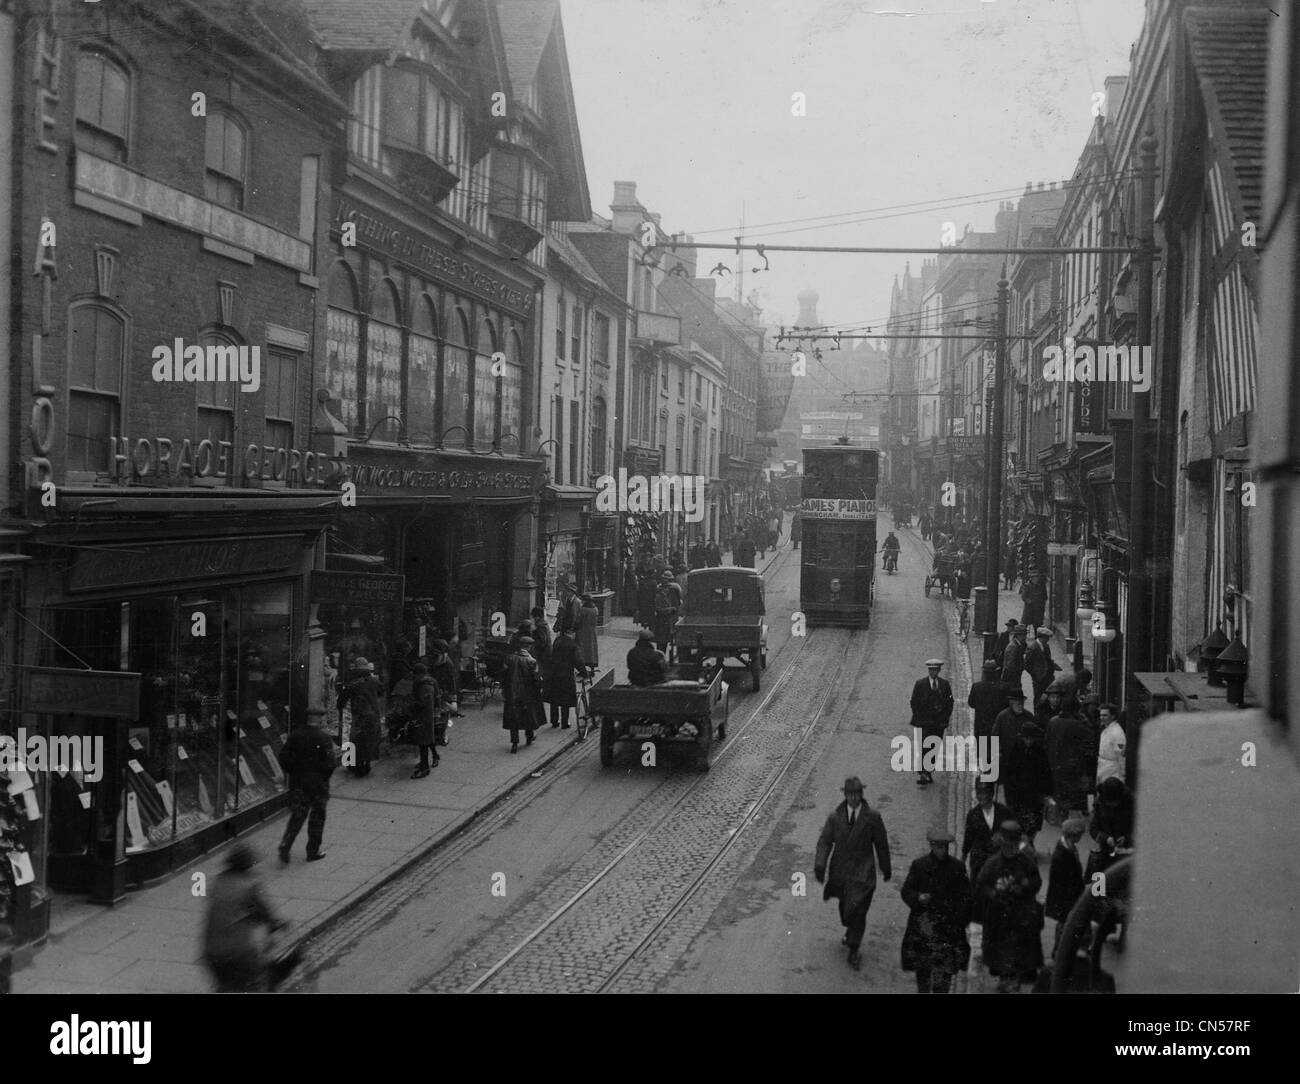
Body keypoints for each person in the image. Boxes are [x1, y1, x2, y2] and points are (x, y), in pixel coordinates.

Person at [814, 777, 891, 971]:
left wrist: (886, 866)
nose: (854, 798)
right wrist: (820, 865)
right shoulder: (835, 817)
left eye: (857, 794)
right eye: (850, 794)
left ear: (861, 795)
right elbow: (825, 842)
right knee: (847, 911)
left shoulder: (872, 817)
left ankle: (854, 949)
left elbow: (881, 844)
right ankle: (850, 930)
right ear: (845, 796)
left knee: (859, 910)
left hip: (864, 873)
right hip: (842, 872)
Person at [203, 843, 286, 992]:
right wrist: (275, 924)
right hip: (238, 950)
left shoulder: (218, 882)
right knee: (254, 983)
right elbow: (263, 912)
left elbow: (225, 909)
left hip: (211, 950)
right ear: (246, 865)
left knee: (226, 985)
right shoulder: (248, 885)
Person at [900, 828, 972, 993]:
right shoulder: (919, 866)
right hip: (924, 928)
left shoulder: (957, 867)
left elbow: (967, 897)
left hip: (947, 930)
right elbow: (906, 890)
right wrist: (918, 898)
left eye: (945, 847)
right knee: (923, 974)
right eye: (939, 847)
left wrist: (959, 919)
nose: (943, 851)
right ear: (932, 846)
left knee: (943, 978)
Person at [975, 820, 1044, 993]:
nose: (1010, 848)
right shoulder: (992, 864)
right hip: (999, 916)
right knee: (1001, 950)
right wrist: (995, 893)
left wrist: (1025, 885)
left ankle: (1014, 979)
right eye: (1006, 845)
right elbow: (981, 885)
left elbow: (1036, 881)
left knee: (1019, 950)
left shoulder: (1026, 862)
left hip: (1021, 914)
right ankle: (1005, 978)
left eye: (1013, 845)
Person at [277, 713, 338, 863]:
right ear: (319, 720)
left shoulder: (295, 736)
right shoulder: (324, 738)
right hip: (318, 785)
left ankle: (286, 843)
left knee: (298, 815)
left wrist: (292, 771)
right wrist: (323, 777)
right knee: (317, 817)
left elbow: (283, 757)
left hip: (299, 782)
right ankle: (312, 851)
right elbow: (331, 763)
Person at [1045, 680, 1095, 818]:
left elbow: (1047, 740)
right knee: (1069, 788)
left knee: (1058, 787)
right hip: (1071, 762)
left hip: (1054, 759)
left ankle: (1059, 811)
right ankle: (1065, 811)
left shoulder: (1053, 721)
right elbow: (1090, 736)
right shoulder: (1076, 724)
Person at [1003, 720, 1053, 852]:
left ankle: (1030, 842)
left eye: (1031, 739)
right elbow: (1010, 772)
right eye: (1027, 738)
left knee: (1034, 823)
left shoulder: (1039, 751)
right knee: (1020, 821)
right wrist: (1010, 794)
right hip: (1019, 794)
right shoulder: (1016, 749)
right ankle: (1023, 843)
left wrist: (1047, 792)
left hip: (1035, 794)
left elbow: (1046, 772)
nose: (1029, 741)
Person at [909, 659, 954, 786]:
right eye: (931, 670)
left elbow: (950, 702)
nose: (933, 672)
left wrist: (945, 717)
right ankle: (923, 772)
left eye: (935, 670)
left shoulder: (944, 685)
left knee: (935, 747)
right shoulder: (920, 684)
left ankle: (928, 770)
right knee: (924, 746)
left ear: (939, 670)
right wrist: (918, 716)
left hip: (938, 723)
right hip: (925, 722)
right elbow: (914, 701)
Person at [1046, 818, 1087, 952]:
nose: (1081, 837)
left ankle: (1060, 950)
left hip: (1068, 895)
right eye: (1080, 834)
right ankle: (1058, 950)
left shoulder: (1069, 847)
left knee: (1064, 922)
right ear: (1074, 834)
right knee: (1064, 923)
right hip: (1065, 896)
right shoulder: (1063, 853)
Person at [962, 782, 1011, 894]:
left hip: (998, 859)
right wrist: (964, 855)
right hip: (979, 860)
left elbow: (1013, 831)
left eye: (984, 793)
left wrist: (1002, 836)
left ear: (991, 794)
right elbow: (968, 837)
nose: (980, 796)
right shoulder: (973, 814)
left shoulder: (1004, 812)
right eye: (978, 793)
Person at [336, 657, 381, 777]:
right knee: (369, 741)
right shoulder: (375, 681)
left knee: (356, 741)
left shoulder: (353, 684)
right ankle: (366, 764)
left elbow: (341, 702)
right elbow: (381, 692)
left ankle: (355, 764)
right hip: (374, 716)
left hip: (360, 717)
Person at [501, 636, 544, 753]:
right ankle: (529, 736)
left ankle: (514, 742)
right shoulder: (532, 661)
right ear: (529, 647)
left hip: (512, 692)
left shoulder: (509, 658)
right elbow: (536, 678)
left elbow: (503, 674)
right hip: (527, 693)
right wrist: (539, 688)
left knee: (513, 717)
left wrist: (504, 688)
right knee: (527, 715)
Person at [992, 689, 1035, 793]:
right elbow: (995, 737)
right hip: (1008, 759)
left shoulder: (1029, 716)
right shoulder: (1002, 716)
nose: (1019, 704)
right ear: (1011, 702)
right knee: (1010, 788)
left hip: (1025, 760)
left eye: (1021, 701)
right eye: (1016, 701)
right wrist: (998, 752)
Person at [544, 626, 586, 729]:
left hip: (554, 673)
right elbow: (578, 661)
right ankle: (564, 722)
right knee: (565, 699)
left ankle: (554, 721)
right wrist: (584, 672)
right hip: (566, 675)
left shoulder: (557, 641)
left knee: (554, 698)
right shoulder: (572, 645)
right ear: (571, 632)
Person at [408, 662, 441, 778]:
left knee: (424, 742)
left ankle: (425, 768)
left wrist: (412, 705)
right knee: (427, 739)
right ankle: (429, 759)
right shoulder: (424, 682)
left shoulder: (423, 685)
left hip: (424, 716)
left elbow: (423, 702)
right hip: (427, 716)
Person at [428, 638, 459, 747]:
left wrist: (452, 697)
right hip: (432, 689)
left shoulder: (448, 664)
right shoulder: (431, 661)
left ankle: (442, 734)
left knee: (443, 713)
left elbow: (451, 681)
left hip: (443, 691)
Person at [968, 661, 1009, 745]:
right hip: (997, 725)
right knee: (995, 753)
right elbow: (1007, 705)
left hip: (981, 726)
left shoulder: (977, 687)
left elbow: (971, 703)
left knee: (983, 753)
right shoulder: (1004, 687)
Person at [1025, 627, 1061, 705]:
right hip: (1039, 679)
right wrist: (1035, 675)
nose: (1048, 640)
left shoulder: (1046, 646)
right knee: (1038, 698)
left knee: (1048, 697)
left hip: (1048, 677)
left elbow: (1048, 659)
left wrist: (1054, 666)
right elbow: (1027, 665)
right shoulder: (1032, 648)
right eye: (1047, 638)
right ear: (1042, 637)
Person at [652, 569, 682, 657]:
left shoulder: (674, 589)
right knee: (662, 642)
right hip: (663, 621)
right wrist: (671, 609)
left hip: (670, 620)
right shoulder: (659, 592)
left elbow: (678, 603)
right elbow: (658, 608)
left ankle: (672, 657)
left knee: (671, 640)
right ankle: (661, 658)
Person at [1095, 703, 1126, 786]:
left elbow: (1120, 754)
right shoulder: (1106, 729)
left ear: (1112, 716)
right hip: (1103, 767)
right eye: (1101, 715)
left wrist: (1122, 774)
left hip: (1112, 771)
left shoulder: (1117, 732)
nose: (1102, 718)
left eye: (1105, 715)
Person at [576, 594, 600, 669]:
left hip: (583, 632)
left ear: (585, 601)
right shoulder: (595, 609)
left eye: (582, 600)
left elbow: (578, 621)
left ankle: (582, 668)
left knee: (582, 650)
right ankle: (592, 667)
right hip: (592, 632)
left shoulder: (583, 610)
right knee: (592, 649)